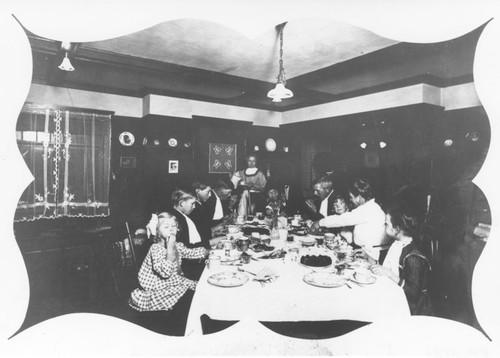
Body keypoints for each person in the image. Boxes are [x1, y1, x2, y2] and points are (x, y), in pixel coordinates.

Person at [129, 212, 209, 334]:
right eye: (166, 227)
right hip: (157, 286)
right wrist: (170, 247)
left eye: (173, 226)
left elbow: (191, 252)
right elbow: (165, 273)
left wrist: (210, 251)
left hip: (172, 280)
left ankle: (196, 321)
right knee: (186, 291)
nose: (171, 229)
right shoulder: (155, 248)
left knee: (199, 286)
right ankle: (183, 323)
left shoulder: (177, 245)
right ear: (157, 232)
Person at [357, 206, 433, 315]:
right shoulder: (397, 244)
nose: (384, 226)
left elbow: (414, 294)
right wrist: (369, 258)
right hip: (397, 299)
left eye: (386, 224)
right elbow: (388, 269)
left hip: (412, 310)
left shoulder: (413, 257)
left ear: (396, 229)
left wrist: (389, 274)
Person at [310, 178, 388, 261]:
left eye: (351, 197)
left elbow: (343, 219)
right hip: (366, 251)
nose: (350, 200)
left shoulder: (369, 209)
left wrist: (320, 222)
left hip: (373, 254)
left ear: (359, 197)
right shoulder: (368, 207)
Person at [171, 189, 209, 280]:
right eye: (192, 203)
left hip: (191, 258)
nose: (194, 207)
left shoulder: (182, 216)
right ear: (181, 203)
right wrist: (209, 249)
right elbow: (186, 248)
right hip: (186, 267)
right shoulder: (177, 220)